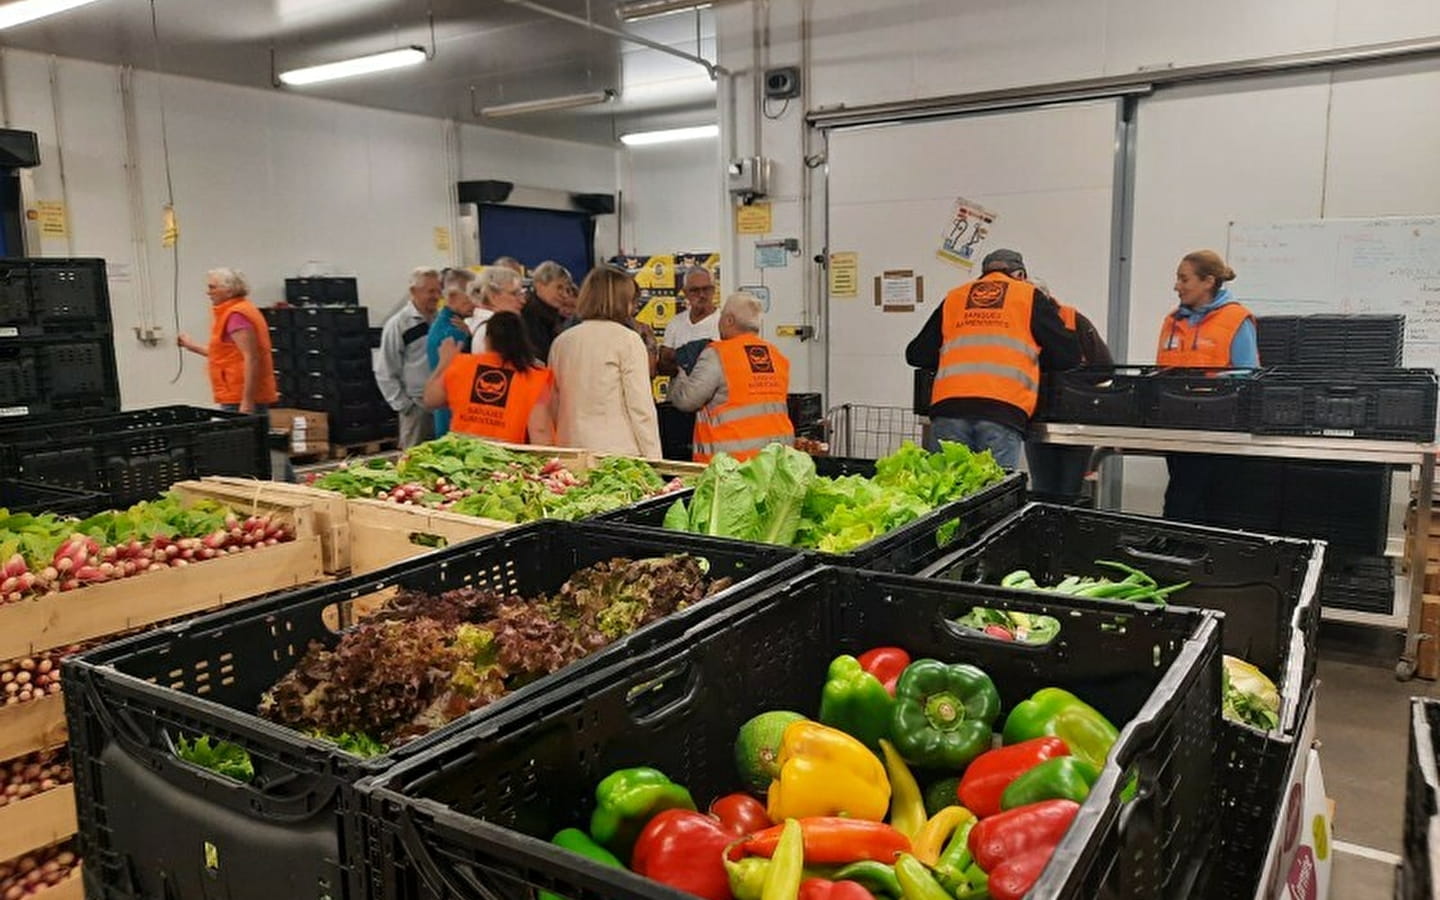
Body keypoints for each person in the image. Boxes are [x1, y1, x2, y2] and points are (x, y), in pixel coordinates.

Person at [905, 248, 1080, 468]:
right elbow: (1068, 356)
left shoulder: (955, 297)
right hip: (1002, 411)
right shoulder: (1028, 295)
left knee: (947, 494)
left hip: (949, 410)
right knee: (993, 495)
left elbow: (917, 353)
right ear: (1019, 275)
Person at [1156, 249, 1259, 522]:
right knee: (1181, 495)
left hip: (1216, 428)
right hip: (1176, 426)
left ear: (1208, 281)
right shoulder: (1172, 321)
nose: (1176, 286)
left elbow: (1247, 374)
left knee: (1195, 501)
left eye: (1184, 279)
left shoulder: (1236, 320)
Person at [548, 266, 662, 458]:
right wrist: (655, 461)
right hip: (617, 456)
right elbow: (641, 409)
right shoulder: (628, 340)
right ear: (622, 300)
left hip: (569, 451)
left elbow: (553, 404)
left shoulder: (562, 342)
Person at [667, 292, 794, 463]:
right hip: (774, 462)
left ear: (729, 321)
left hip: (732, 467)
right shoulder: (776, 356)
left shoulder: (718, 354)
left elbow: (687, 400)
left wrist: (678, 374)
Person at [1023, 279, 1114, 502]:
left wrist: (1076, 384)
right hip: (1039, 421)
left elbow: (1105, 368)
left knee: (1069, 492)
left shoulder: (1075, 320)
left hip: (1076, 423)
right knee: (1042, 492)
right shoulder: (1021, 323)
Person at [423, 311, 554, 445]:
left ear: (487, 339)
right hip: (506, 459)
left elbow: (430, 399)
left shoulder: (461, 366)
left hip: (462, 456)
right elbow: (540, 430)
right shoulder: (533, 377)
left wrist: (445, 361)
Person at [178, 267, 279, 415]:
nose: (208, 292)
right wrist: (191, 346)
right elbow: (226, 355)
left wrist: (247, 401)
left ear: (229, 291)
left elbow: (252, 358)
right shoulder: (236, 311)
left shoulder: (236, 315)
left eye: (212, 287)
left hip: (240, 397)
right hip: (236, 394)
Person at [375, 266, 442, 449]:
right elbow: (385, 370)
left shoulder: (441, 321)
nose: (436, 296)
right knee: (414, 462)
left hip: (442, 406)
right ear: (413, 291)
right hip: (416, 408)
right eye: (430, 291)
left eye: (438, 290)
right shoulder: (398, 325)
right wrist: (405, 406)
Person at [426, 268, 478, 438]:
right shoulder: (454, 332)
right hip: (455, 418)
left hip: (445, 414)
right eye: (472, 295)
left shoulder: (443, 325)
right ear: (454, 296)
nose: (476, 303)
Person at [657, 267, 721, 376]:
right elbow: (664, 365)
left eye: (706, 289)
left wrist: (680, 359)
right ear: (685, 293)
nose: (701, 295)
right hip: (680, 391)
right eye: (695, 290)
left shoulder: (723, 322)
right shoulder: (675, 323)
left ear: (714, 290)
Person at [523, 261, 574, 363]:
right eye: (559, 287)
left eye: (567, 290)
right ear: (540, 285)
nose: (565, 295)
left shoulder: (552, 315)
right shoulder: (530, 315)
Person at [468, 266, 528, 352]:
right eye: (514, 293)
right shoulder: (493, 330)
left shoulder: (477, 324)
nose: (523, 301)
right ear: (493, 297)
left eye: (522, 294)